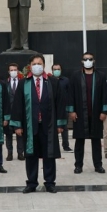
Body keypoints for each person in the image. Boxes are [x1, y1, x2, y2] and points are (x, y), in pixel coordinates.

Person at [11, 53, 67, 193]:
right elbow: (17, 104)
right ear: (30, 66)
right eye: (34, 64)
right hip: (30, 125)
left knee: (49, 154)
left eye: (39, 63)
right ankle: (31, 182)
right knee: (31, 154)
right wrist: (17, 125)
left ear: (44, 65)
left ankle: (49, 182)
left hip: (48, 125)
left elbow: (60, 103)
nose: (37, 66)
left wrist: (60, 124)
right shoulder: (24, 83)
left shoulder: (52, 82)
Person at [69, 51, 107, 174]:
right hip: (80, 114)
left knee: (96, 141)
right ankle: (78, 165)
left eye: (90, 59)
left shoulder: (101, 76)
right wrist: (72, 110)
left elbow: (105, 94)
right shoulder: (75, 76)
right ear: (82, 61)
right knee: (79, 141)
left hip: (96, 114)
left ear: (94, 60)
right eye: (85, 59)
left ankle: (98, 165)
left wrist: (104, 111)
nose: (88, 61)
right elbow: (71, 94)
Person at [4, 63, 24, 160]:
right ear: (8, 72)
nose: (13, 72)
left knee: (20, 133)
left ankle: (20, 152)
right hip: (9, 113)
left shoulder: (22, 82)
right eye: (11, 70)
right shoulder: (5, 83)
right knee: (8, 134)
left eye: (15, 70)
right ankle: (10, 153)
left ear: (18, 71)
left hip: (19, 113)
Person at [51, 62, 73, 153]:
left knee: (64, 127)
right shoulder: (49, 80)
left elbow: (70, 94)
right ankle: (53, 146)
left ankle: (66, 146)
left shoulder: (66, 80)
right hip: (52, 108)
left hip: (63, 108)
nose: (56, 71)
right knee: (52, 128)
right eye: (55, 69)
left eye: (58, 69)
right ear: (52, 71)